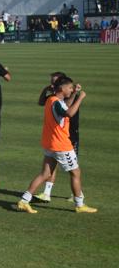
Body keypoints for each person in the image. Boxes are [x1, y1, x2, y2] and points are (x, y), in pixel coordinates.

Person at [17, 77, 96, 214]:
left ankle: (24, 201)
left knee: (45, 174)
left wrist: (74, 94)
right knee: (75, 173)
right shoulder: (56, 103)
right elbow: (70, 113)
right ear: (62, 89)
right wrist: (80, 98)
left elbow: (66, 106)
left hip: (50, 144)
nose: (71, 89)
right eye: (70, 88)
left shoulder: (52, 100)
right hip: (61, 145)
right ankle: (79, 204)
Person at [34, 72, 80, 202]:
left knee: (73, 168)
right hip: (59, 138)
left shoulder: (65, 96)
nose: (51, 85)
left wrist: (75, 94)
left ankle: (76, 195)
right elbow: (41, 102)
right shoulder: (55, 97)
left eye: (54, 82)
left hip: (68, 135)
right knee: (57, 168)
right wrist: (45, 89)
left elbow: (69, 112)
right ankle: (47, 194)